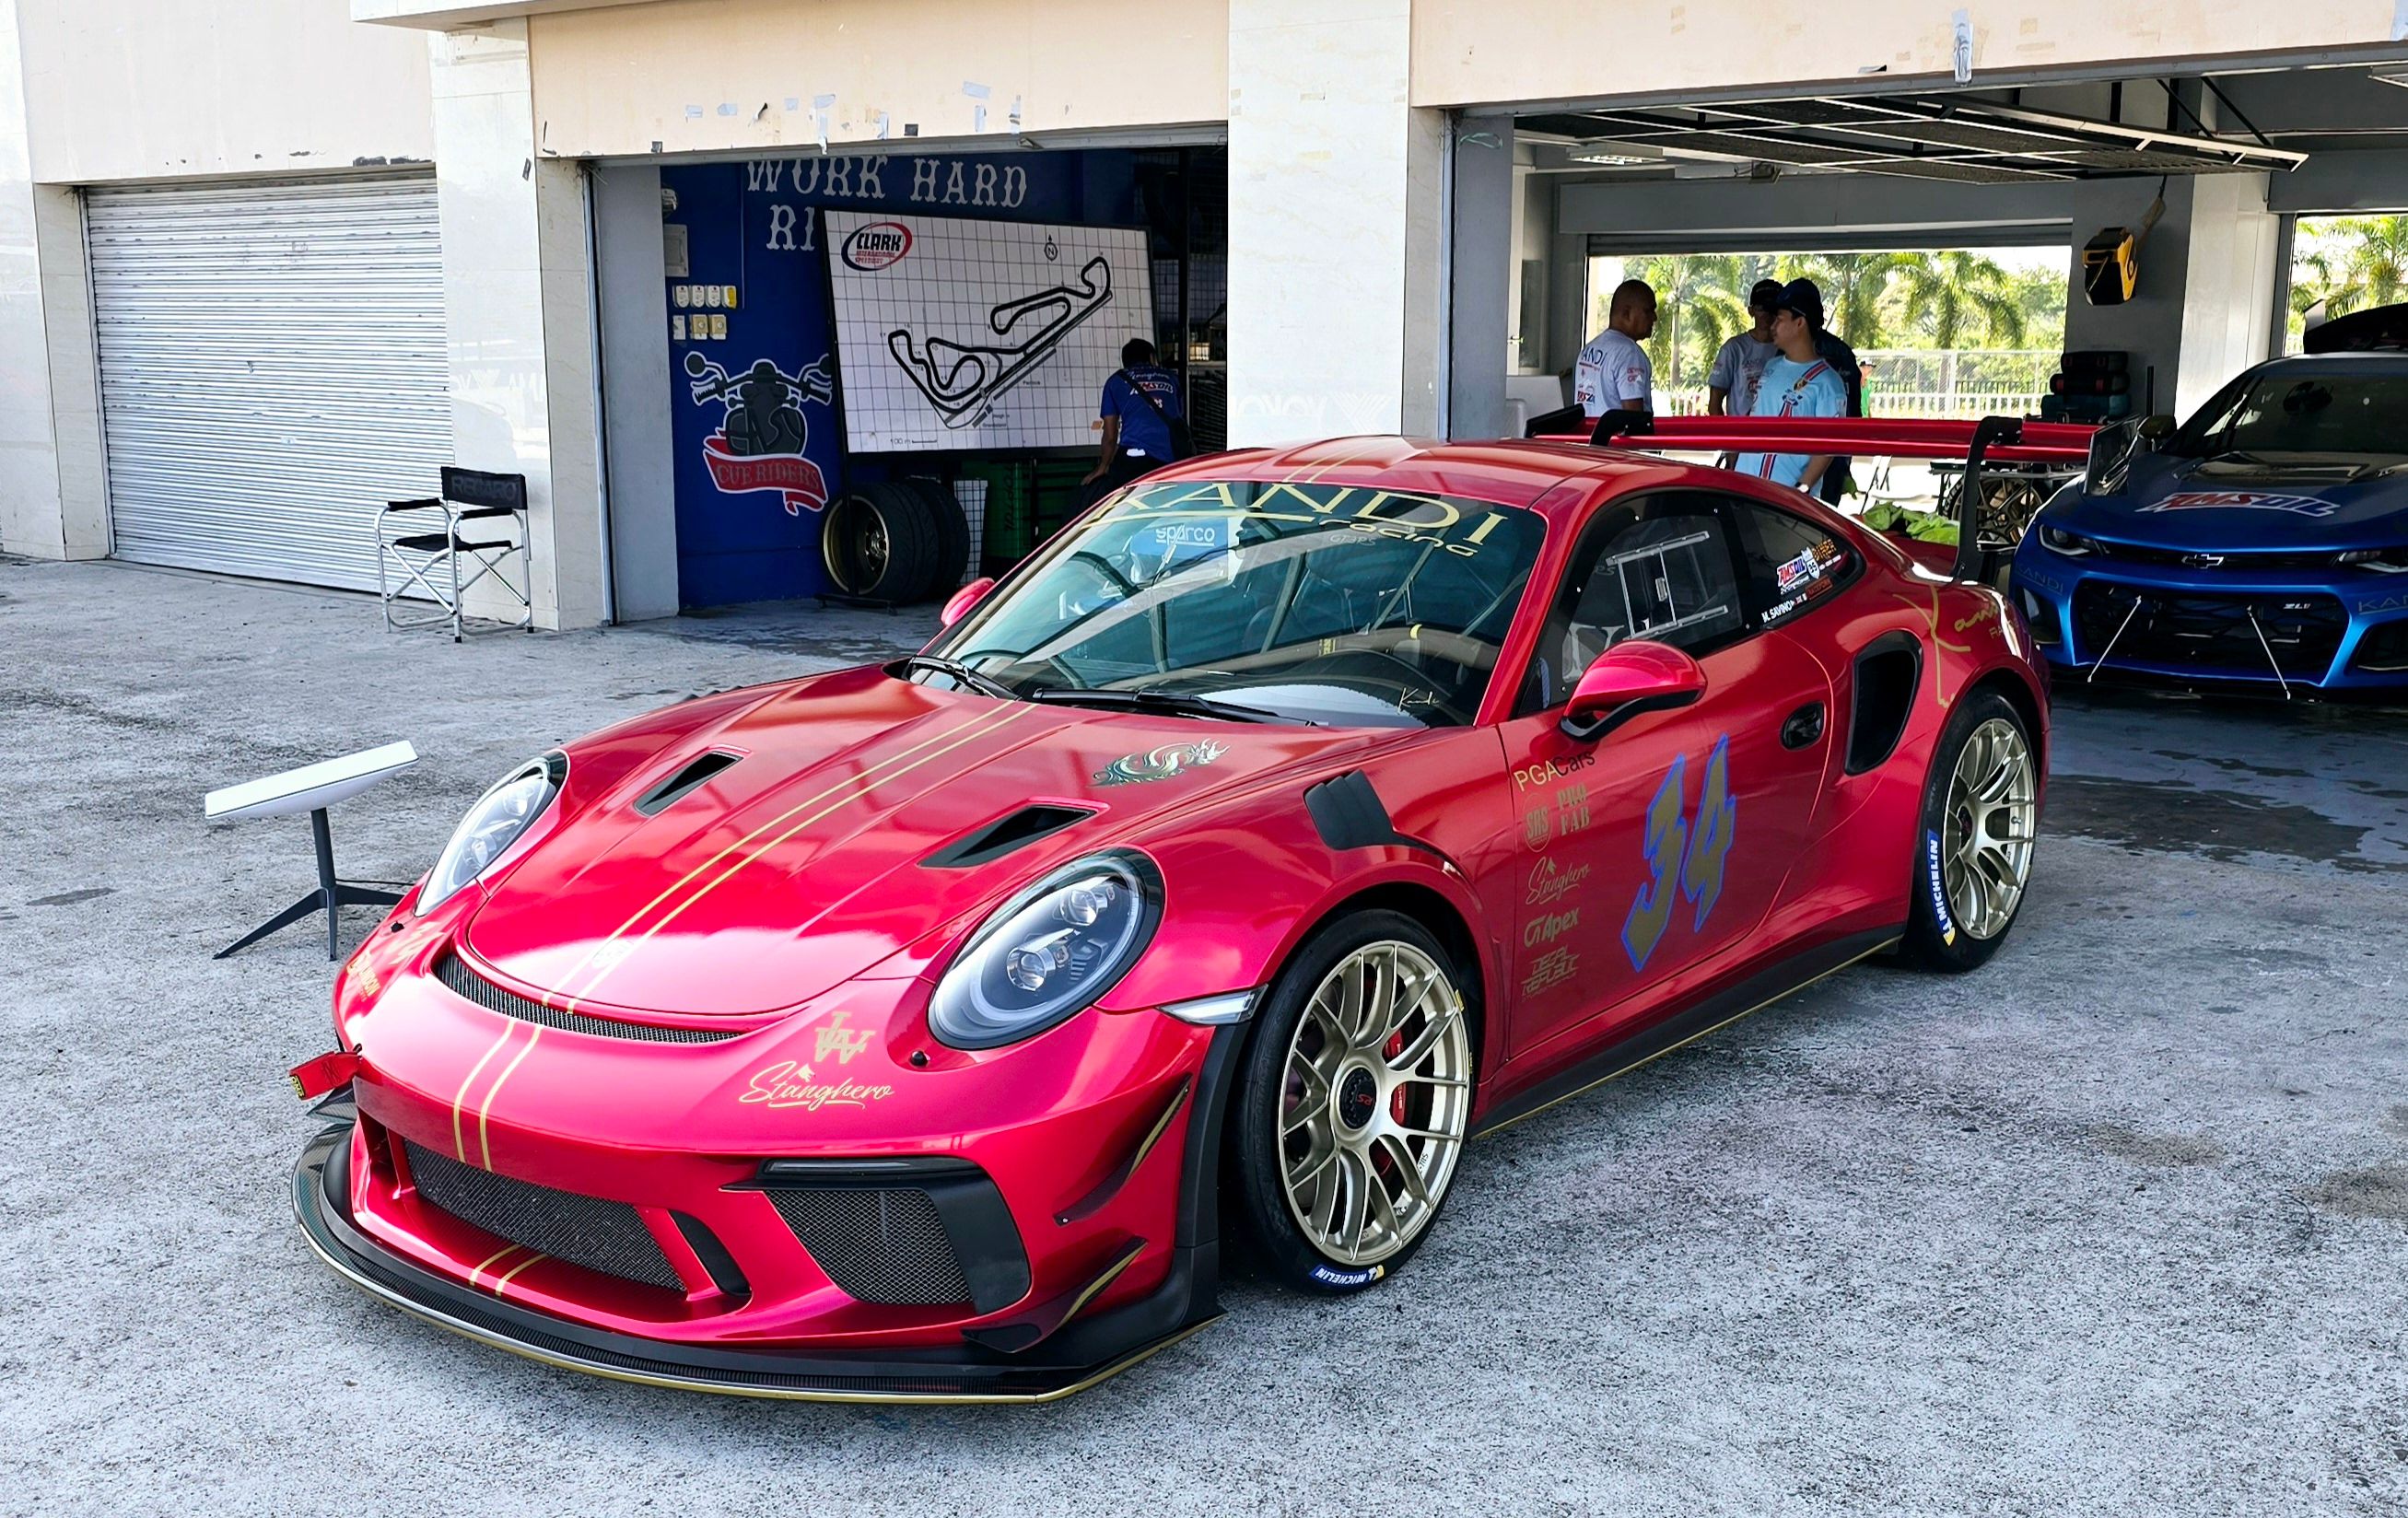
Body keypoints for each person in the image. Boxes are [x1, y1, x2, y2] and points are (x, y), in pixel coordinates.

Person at [1733, 279, 1850, 495]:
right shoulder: (1772, 366)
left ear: (1800, 323)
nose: (1772, 326)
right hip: (1748, 491)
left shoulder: (1828, 383)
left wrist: (1801, 490)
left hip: (1785, 502)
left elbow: (1828, 447)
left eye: (1779, 319)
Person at [1083, 339, 1186, 494]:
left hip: (1134, 459)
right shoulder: (1171, 378)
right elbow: (1178, 418)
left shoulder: (1115, 381)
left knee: (1114, 495)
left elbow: (1110, 436)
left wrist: (1103, 467)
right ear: (1152, 357)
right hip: (1172, 460)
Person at [1800, 282, 1865, 505]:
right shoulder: (1843, 351)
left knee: (1795, 519)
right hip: (1836, 451)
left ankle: (1819, 542)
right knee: (1825, 518)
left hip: (1802, 452)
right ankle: (1824, 541)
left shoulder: (1790, 355)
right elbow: (1855, 412)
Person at [1576, 279, 1656, 443]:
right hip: (1619, 455)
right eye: (1649, 311)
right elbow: (1634, 418)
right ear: (1627, 313)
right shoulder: (1629, 354)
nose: (1654, 318)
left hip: (1589, 448)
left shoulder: (1589, 349)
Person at [1707, 279, 1783, 419]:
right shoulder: (1733, 349)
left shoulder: (1788, 350)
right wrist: (1727, 436)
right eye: (1762, 308)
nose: (1767, 314)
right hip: (1741, 433)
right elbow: (1715, 402)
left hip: (1775, 432)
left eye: (1773, 309)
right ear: (1751, 311)